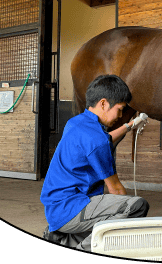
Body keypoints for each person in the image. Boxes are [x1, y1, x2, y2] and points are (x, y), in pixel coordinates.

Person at [40, 74, 149, 251]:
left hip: (56, 208)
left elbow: (104, 140)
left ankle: (64, 239)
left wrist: (130, 125)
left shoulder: (76, 123)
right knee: (137, 206)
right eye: (120, 109)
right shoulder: (96, 140)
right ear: (104, 103)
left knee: (110, 219)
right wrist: (127, 223)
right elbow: (116, 189)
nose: (120, 115)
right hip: (71, 208)